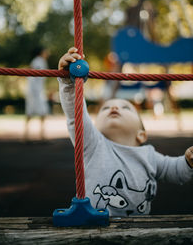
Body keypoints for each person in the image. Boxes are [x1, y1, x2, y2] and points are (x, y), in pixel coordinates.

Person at [58, 47, 193, 217]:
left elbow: (174, 171)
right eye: (106, 108)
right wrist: (68, 83)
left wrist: (188, 161)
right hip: (95, 227)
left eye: (125, 108)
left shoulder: (149, 155)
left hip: (138, 229)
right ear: (95, 127)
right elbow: (75, 115)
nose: (114, 107)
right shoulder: (94, 145)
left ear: (141, 134)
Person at [25, 47, 50, 139]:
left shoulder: (40, 61)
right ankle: (28, 136)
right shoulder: (38, 61)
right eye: (45, 51)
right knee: (33, 112)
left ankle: (38, 135)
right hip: (35, 91)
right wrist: (35, 91)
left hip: (37, 90)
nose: (47, 53)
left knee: (39, 112)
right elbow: (33, 75)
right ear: (41, 52)